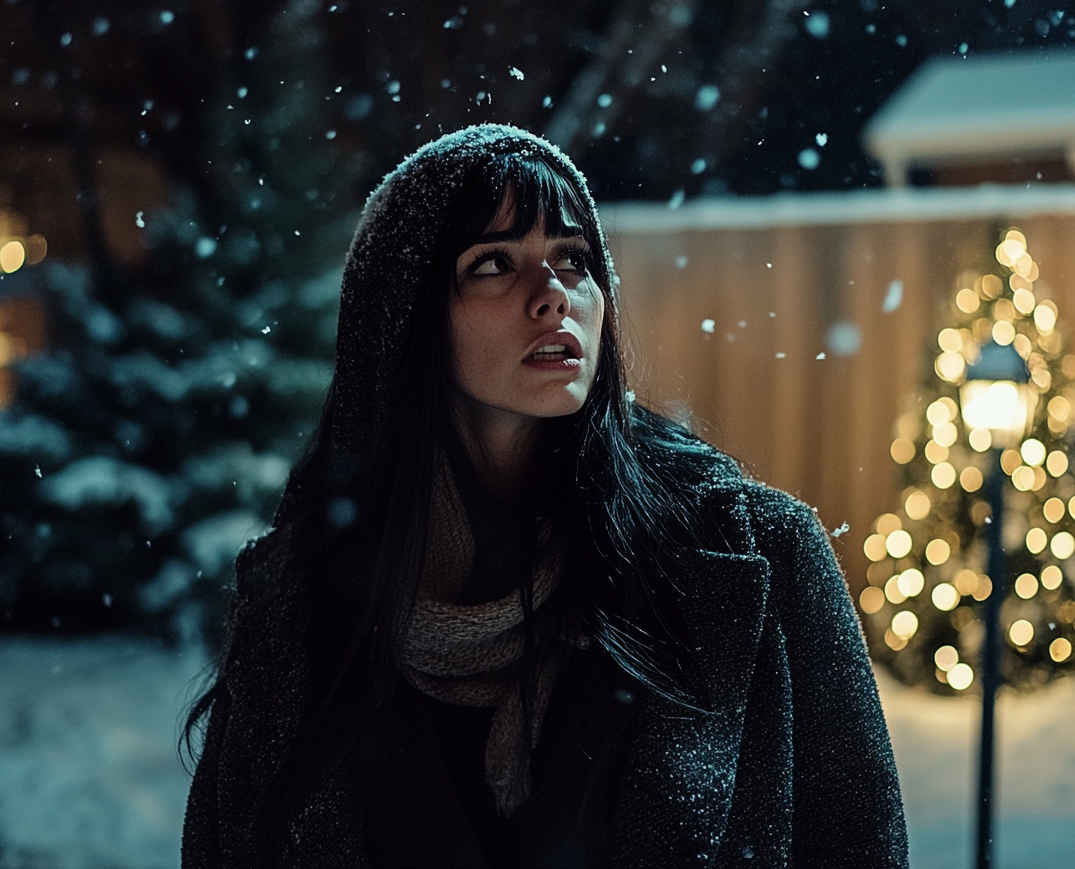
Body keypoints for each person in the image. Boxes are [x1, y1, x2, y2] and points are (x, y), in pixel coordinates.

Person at [181, 124, 908, 868]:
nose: (553, 294)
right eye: (493, 263)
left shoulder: (754, 556)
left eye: (574, 260)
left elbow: (860, 846)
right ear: (403, 318)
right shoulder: (299, 610)